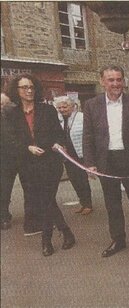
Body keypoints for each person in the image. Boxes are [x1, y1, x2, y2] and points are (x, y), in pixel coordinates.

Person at [82, 65, 129, 257]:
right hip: (107, 160)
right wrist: (90, 162)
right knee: (112, 203)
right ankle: (118, 239)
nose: (115, 84)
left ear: (123, 81)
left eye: (119, 79)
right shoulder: (91, 105)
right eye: (111, 80)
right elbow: (88, 136)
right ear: (102, 82)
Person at [6, 74, 76, 256]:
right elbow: (8, 140)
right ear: (16, 90)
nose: (29, 90)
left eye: (31, 87)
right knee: (45, 200)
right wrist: (27, 147)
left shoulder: (47, 110)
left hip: (49, 163)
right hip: (27, 165)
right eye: (24, 87)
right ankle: (66, 232)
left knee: (45, 199)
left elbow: (59, 135)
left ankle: (46, 240)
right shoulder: (10, 113)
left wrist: (58, 143)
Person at [53, 96, 94, 215]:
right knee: (74, 180)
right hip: (67, 155)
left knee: (82, 180)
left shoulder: (81, 117)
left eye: (64, 106)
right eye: (59, 107)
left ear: (72, 106)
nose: (62, 109)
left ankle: (88, 204)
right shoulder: (59, 119)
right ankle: (83, 202)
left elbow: (88, 134)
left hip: (80, 153)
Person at [1, 92, 18, 230]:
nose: (3, 107)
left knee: (31, 187)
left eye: (5, 104)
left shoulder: (16, 117)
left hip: (22, 157)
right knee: (4, 189)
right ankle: (4, 216)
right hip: (5, 160)